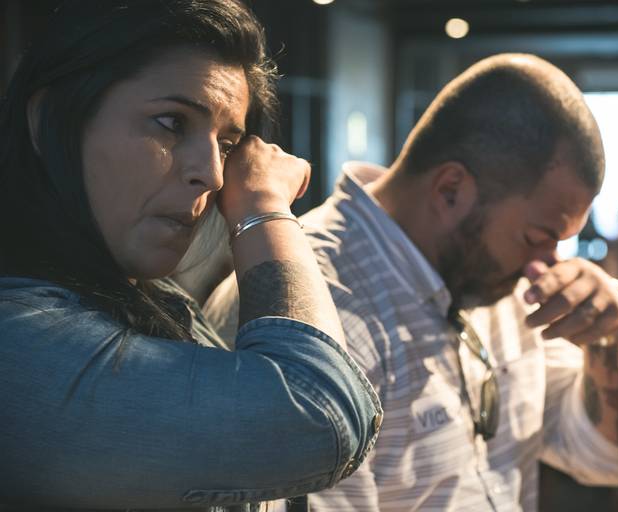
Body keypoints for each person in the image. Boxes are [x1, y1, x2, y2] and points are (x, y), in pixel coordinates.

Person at [204, 54, 618, 511]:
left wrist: (610, 336)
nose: (548, 263)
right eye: (538, 237)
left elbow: (606, 460)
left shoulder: (495, 278)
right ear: (450, 190)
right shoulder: (308, 302)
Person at [0, 1, 381, 510]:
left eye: (227, 144)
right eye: (171, 123)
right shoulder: (17, 337)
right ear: (50, 120)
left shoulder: (150, 298)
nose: (214, 174)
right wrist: (264, 208)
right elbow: (318, 415)